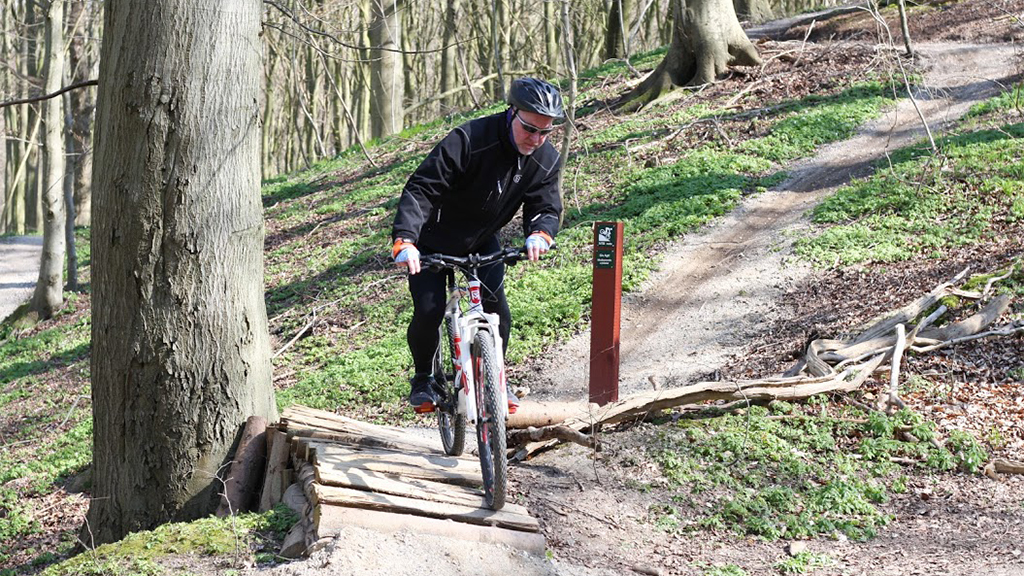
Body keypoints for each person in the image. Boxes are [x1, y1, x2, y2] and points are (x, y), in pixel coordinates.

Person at [391, 77, 564, 413]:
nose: (536, 139)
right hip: (432, 239)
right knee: (429, 310)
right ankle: (424, 378)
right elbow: (421, 188)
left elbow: (545, 205)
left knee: (498, 310)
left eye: (545, 132)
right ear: (512, 113)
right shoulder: (469, 139)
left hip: (482, 241)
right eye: (530, 129)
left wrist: (539, 234)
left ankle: (499, 379)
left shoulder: (544, 157)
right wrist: (406, 239)